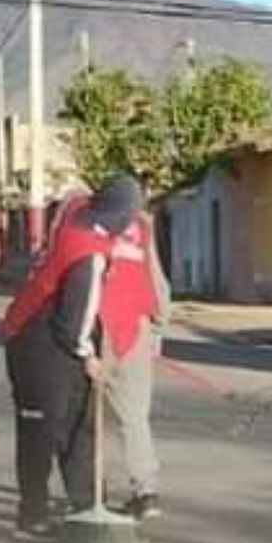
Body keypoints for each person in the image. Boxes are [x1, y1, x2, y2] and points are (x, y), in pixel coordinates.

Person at [0, 173, 154, 536]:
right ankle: (32, 513)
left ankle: (85, 502)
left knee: (78, 422)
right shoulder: (88, 252)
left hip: (56, 338)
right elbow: (74, 322)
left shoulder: (84, 220)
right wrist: (89, 356)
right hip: (32, 341)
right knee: (41, 429)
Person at [99, 182, 171, 521]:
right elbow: (155, 276)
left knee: (88, 414)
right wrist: (158, 325)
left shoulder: (91, 223)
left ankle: (92, 490)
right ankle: (146, 492)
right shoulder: (142, 225)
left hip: (103, 326)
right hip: (138, 326)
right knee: (134, 416)